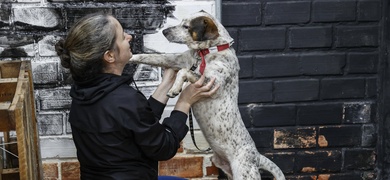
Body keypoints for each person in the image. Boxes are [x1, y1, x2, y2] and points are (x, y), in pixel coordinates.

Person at [54, 13, 219, 179]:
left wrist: (167, 83)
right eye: (122, 36)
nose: (129, 37)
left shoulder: (82, 93)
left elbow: (137, 124)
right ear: (109, 56)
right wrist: (184, 101)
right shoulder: (125, 99)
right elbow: (164, 146)